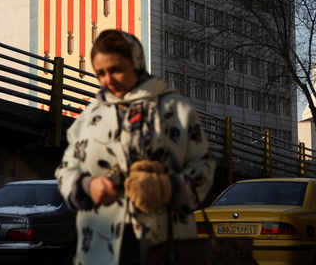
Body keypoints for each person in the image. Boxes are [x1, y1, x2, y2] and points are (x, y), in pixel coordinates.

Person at [55, 30, 216, 265]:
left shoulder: (173, 109)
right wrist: (89, 186)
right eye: (101, 73)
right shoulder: (90, 118)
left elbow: (204, 166)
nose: (108, 80)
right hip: (101, 245)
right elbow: (66, 171)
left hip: (166, 244)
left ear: (136, 63)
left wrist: (166, 187)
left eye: (116, 69)